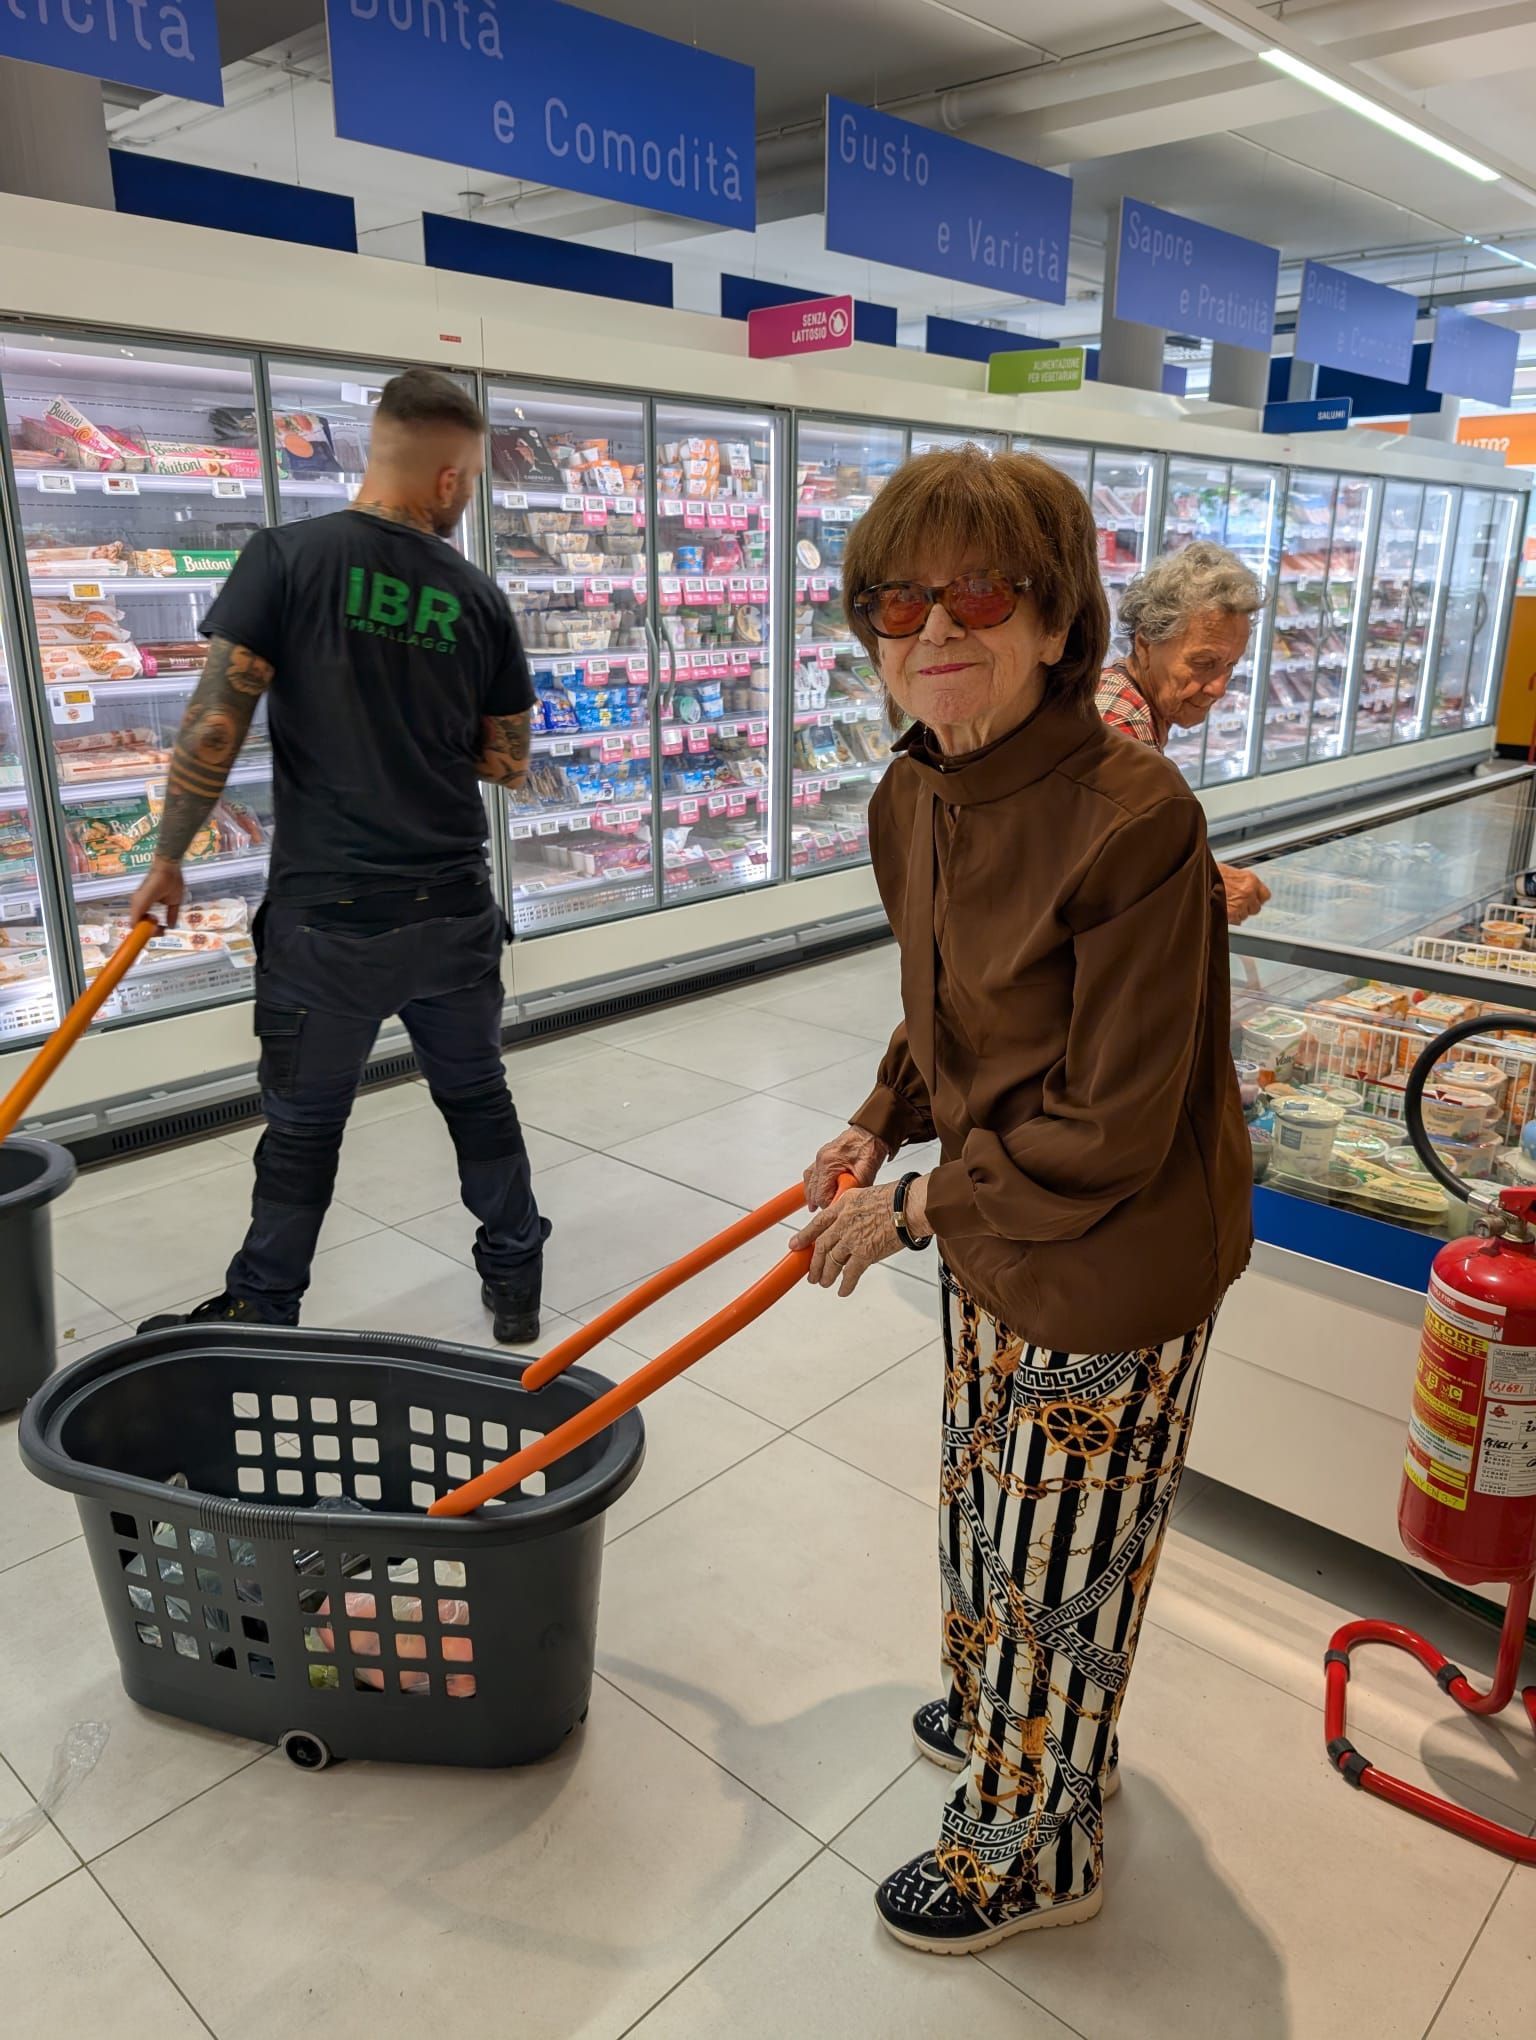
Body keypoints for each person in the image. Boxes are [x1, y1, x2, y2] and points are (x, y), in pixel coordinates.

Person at [792, 449, 1252, 1956]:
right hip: (996, 1228)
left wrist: (919, 1208)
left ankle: (1032, 1846)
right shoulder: (912, 791)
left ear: (1058, 623)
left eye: (980, 591)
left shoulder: (1138, 822)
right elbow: (951, 1014)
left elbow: (1112, 1126)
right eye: (897, 598)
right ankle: (1005, 1716)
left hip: (1111, 1253)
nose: (935, 626)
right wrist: (878, 1122)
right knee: (988, 1509)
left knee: (1066, 1560)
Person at [130, 368, 550, 1345]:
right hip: (451, 912)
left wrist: (167, 858)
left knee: (304, 1134)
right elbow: (509, 762)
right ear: (449, 478)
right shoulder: (478, 599)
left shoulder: (286, 560)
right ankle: (516, 1281)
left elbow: (215, 724)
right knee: (477, 1097)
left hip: (328, 926)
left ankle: (265, 1309)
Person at [1096, 539, 1271, 925]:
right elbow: (1105, 881)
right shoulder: (1119, 727)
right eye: (1204, 663)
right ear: (1145, 644)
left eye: (1230, 665)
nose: (1219, 687)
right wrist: (1206, 887)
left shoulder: (1133, 706)